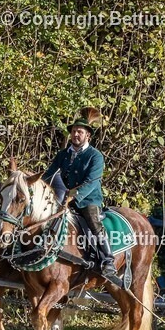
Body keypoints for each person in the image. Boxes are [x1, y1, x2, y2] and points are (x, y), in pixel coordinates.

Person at [45, 106, 117, 278]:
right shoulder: (63, 154)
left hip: (88, 199)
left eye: (80, 132)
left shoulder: (96, 156)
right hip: (61, 198)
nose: (76, 135)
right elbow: (50, 175)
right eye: (74, 131)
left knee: (93, 221)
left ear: (87, 136)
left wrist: (74, 196)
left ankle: (108, 260)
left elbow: (92, 182)